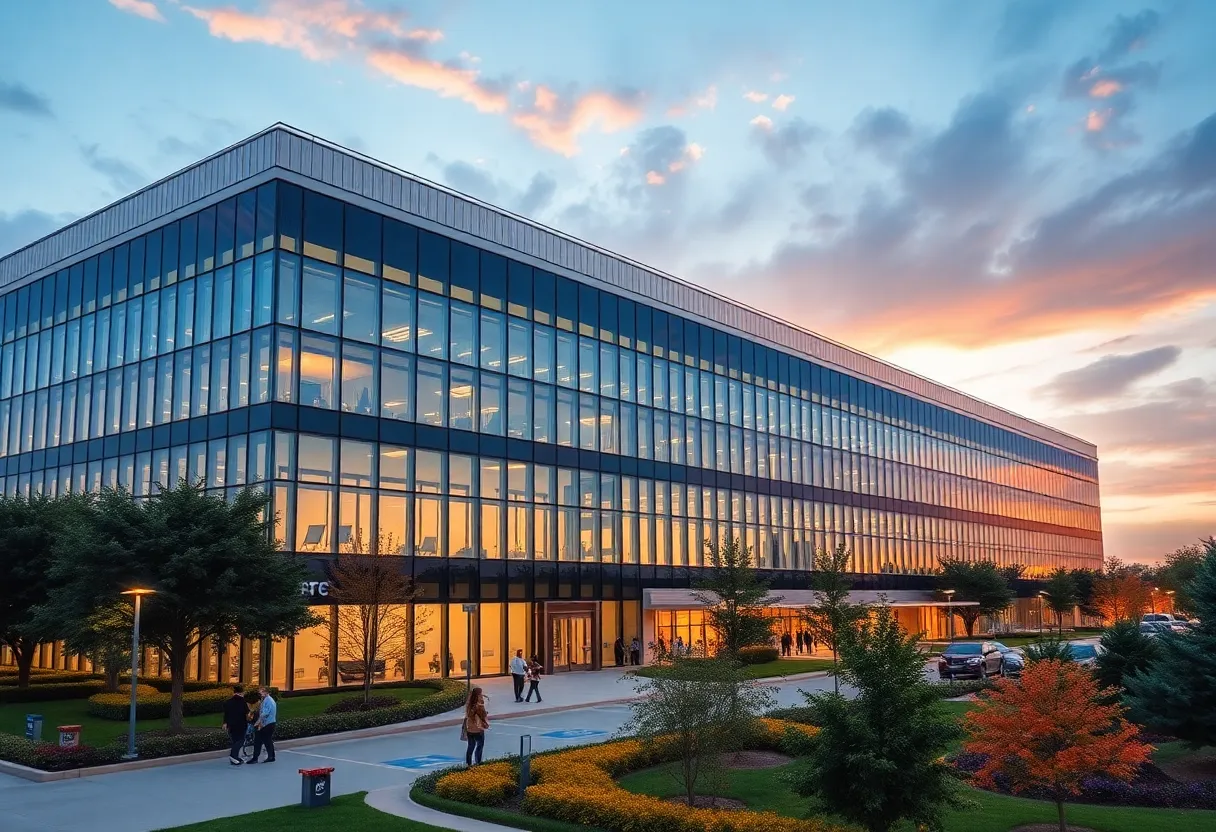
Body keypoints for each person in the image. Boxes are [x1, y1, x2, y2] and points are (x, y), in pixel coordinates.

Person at [248, 685, 277, 764]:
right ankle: (269, 756)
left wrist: (258, 722)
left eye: (262, 691)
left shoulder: (269, 701)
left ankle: (258, 758)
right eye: (260, 691)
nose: (260, 693)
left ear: (267, 692)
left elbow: (265, 713)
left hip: (267, 724)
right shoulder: (265, 700)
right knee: (263, 740)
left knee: (262, 740)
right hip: (267, 724)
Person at [221, 685, 248, 766]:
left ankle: (235, 757)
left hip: (231, 724)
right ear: (241, 692)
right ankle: (233, 756)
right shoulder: (242, 701)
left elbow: (226, 714)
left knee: (235, 740)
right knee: (241, 740)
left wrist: (225, 723)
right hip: (241, 724)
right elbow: (247, 712)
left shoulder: (228, 702)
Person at [463, 686, 489, 767]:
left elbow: (468, 715)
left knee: (470, 747)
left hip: (469, 729)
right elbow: (483, 714)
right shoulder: (479, 704)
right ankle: (478, 762)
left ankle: (468, 764)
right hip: (478, 729)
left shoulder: (469, 703)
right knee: (479, 746)